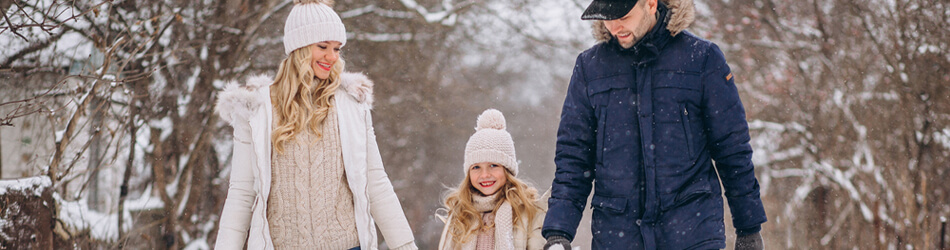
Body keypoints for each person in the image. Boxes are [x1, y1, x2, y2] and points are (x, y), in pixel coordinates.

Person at [541, 0, 767, 249]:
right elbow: (573, 159)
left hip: (692, 233)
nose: (614, 27)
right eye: (608, 18)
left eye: (623, 17)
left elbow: (732, 149)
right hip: (617, 237)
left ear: (650, 4)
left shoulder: (702, 59)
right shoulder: (590, 68)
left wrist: (749, 227)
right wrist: (558, 232)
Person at [212, 0, 417, 249]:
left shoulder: (351, 105)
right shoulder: (257, 109)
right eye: (323, 46)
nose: (332, 57)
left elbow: (376, 183)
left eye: (337, 48)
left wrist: (405, 246)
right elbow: (242, 194)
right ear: (299, 47)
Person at [437, 109, 548, 250]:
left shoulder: (527, 212)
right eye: (476, 167)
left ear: (507, 170)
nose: (484, 175)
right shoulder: (461, 215)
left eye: (493, 165)